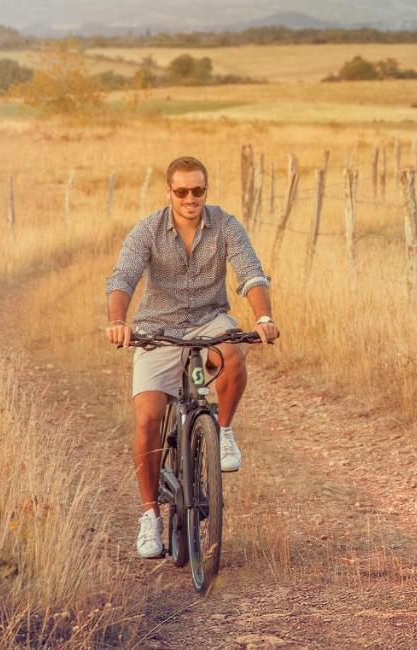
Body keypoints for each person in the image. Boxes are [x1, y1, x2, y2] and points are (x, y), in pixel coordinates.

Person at [105, 156, 280, 559]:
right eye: (181, 191)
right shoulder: (148, 230)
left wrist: (264, 316)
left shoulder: (226, 226)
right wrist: (118, 322)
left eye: (197, 190)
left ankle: (222, 431)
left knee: (232, 353)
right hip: (156, 328)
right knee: (148, 420)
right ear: (169, 192)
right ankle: (150, 517)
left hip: (208, 319)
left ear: (206, 190)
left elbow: (250, 272)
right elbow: (123, 279)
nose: (189, 198)